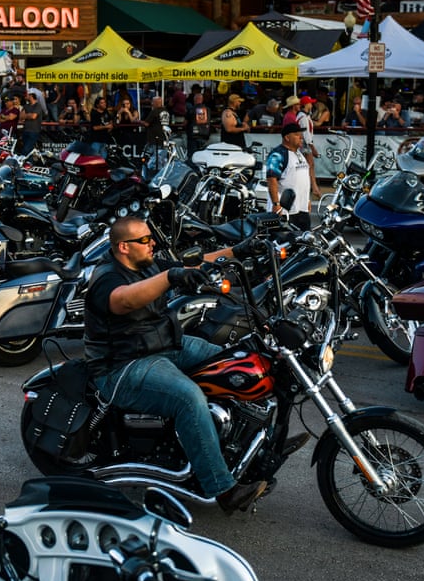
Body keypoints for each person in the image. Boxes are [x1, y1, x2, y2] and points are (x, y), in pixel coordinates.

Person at [84, 216, 278, 515]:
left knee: (237, 361)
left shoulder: (144, 262)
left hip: (165, 346)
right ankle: (223, 489)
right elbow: (125, 300)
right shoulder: (107, 277)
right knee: (188, 398)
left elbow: (195, 263)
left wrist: (239, 251)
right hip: (122, 365)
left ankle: (245, 442)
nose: (152, 243)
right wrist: (170, 277)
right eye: (145, 240)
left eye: (151, 238)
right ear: (123, 246)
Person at [264, 121, 318, 231]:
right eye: (297, 135)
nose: (301, 137)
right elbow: (271, 180)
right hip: (285, 211)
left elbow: (303, 179)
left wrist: (307, 200)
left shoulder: (299, 153)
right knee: (283, 244)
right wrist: (276, 204)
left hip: (301, 209)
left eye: (301, 135)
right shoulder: (277, 154)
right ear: (287, 138)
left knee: (303, 243)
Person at [18, 90, 45, 155]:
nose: (25, 97)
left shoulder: (38, 105)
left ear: (31, 96)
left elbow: (33, 116)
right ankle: (30, 163)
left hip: (34, 131)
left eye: (27, 95)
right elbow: (21, 117)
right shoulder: (26, 106)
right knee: (28, 150)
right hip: (25, 130)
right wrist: (29, 115)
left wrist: (26, 115)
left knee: (26, 149)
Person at [186, 92, 212, 158]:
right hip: (205, 135)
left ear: (194, 100)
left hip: (193, 136)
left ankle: (193, 168)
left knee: (193, 156)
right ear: (202, 99)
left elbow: (185, 122)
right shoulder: (208, 109)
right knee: (202, 156)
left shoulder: (191, 109)